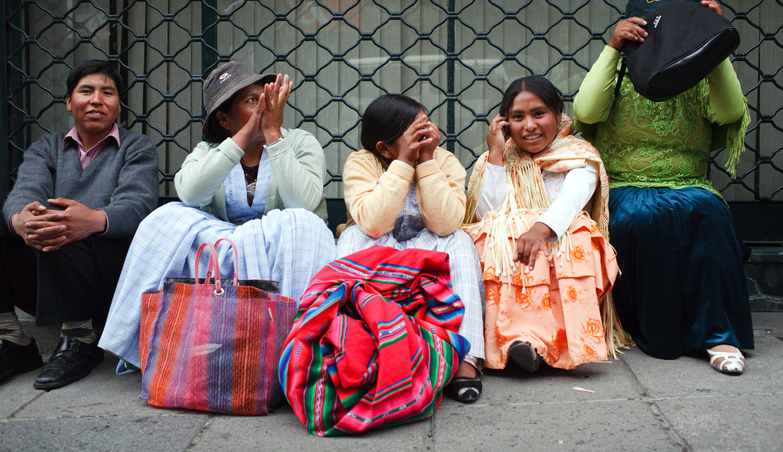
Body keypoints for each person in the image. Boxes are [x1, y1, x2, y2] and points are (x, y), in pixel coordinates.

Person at [98, 61, 337, 371]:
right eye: (252, 100)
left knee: (306, 224)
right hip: (222, 257)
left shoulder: (300, 142)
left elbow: (302, 203)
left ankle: (296, 351)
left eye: (265, 95)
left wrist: (273, 136)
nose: (264, 104)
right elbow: (191, 194)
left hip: (281, 253)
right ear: (224, 119)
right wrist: (241, 140)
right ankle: (153, 342)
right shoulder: (209, 149)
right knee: (165, 216)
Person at [573, 0, 754, 375]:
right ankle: (653, 330)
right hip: (625, 186)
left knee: (706, 214)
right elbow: (585, 110)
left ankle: (719, 336)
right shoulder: (620, 75)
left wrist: (713, 41)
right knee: (640, 219)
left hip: (688, 183)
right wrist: (612, 47)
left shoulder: (700, 75)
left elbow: (731, 112)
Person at [1, 60, 159, 389]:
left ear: (118, 104)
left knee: (64, 221)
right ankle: (12, 339)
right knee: (40, 218)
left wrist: (92, 220)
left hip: (104, 280)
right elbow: (24, 194)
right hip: (46, 276)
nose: (96, 100)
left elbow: (138, 206)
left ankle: (80, 339)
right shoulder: (45, 148)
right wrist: (23, 221)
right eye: (85, 91)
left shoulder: (136, 148)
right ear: (70, 102)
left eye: (108, 92)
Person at [463, 75, 625, 374]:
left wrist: (539, 229)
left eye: (539, 113)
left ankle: (547, 343)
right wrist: (497, 155)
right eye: (517, 117)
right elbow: (490, 212)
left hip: (556, 245)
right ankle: (519, 343)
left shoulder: (578, 154)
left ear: (557, 114)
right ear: (504, 122)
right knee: (492, 235)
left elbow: (573, 200)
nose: (529, 126)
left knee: (577, 233)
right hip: (512, 250)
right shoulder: (498, 157)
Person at [336, 94, 485, 403]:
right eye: (415, 133)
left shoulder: (444, 160)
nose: (425, 134)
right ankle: (351, 352)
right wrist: (403, 163)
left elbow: (445, 224)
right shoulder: (361, 162)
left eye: (426, 124)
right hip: (379, 245)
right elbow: (373, 223)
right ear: (384, 148)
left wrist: (427, 161)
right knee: (350, 237)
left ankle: (467, 360)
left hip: (429, 245)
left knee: (461, 240)